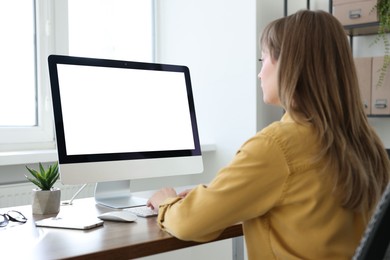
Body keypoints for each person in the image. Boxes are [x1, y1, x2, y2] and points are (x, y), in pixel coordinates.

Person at [147, 10, 390, 259]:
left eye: (263, 60)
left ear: (289, 65)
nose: (260, 73)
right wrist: (213, 194)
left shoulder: (277, 146)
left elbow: (190, 223)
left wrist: (167, 202)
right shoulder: (367, 143)